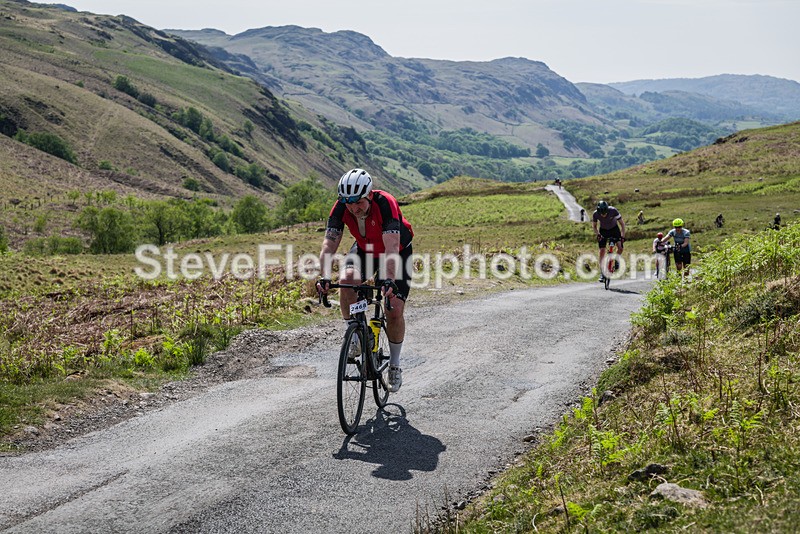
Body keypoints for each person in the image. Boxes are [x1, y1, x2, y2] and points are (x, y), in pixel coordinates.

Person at [317, 169, 414, 393]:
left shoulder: (385, 203)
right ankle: (356, 333)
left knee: (395, 310)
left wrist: (388, 281)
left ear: (369, 195)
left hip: (397, 251)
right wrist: (324, 276)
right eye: (348, 203)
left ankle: (395, 365)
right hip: (366, 249)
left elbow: (391, 249)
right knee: (347, 279)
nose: (353, 208)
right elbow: (328, 245)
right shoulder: (341, 207)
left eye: (358, 202)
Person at [592, 200, 626, 282]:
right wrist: (598, 234)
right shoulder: (595, 214)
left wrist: (622, 237)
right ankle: (602, 272)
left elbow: (622, 224)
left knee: (620, 248)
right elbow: (594, 226)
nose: (603, 215)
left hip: (614, 230)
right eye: (602, 214)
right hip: (603, 231)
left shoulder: (613, 210)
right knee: (602, 251)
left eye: (605, 213)